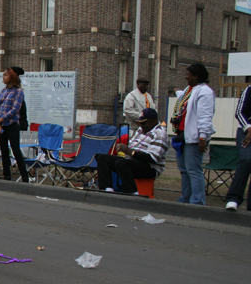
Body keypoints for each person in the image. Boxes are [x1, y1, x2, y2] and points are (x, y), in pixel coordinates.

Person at [170, 63, 215, 205]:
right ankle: (185, 198)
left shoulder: (205, 92)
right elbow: (183, 98)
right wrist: (176, 91)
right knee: (184, 169)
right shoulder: (189, 90)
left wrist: (203, 137)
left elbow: (204, 117)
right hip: (183, 135)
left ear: (196, 76)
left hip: (195, 138)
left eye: (188, 74)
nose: (185, 77)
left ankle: (197, 201)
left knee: (193, 170)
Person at [97, 108, 169, 194]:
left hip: (150, 167)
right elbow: (131, 146)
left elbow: (152, 158)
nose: (141, 126)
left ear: (154, 121)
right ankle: (107, 188)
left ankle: (132, 192)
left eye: (144, 123)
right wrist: (122, 148)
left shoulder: (159, 134)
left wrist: (131, 152)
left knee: (121, 163)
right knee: (101, 158)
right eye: (140, 123)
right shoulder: (141, 130)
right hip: (133, 161)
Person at [0, 67, 29, 182]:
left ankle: (25, 177)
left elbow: (15, 109)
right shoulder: (3, 91)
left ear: (12, 77)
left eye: (6, 75)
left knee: (15, 150)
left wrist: (0, 120)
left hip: (12, 124)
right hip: (2, 125)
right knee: (3, 150)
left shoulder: (18, 91)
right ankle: (6, 176)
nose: (3, 77)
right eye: (3, 75)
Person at [225, 85, 251, 211]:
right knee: (247, 159)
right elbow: (239, 112)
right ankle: (233, 199)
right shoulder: (250, 89)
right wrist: (249, 127)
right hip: (246, 131)